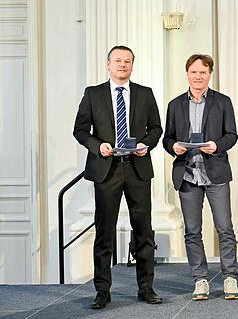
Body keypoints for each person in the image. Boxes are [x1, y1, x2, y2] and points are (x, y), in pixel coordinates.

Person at [73, 45, 163, 309]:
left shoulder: (145, 94)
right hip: (107, 169)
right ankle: (102, 290)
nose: (123, 65)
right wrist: (97, 145)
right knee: (104, 233)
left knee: (143, 230)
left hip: (137, 168)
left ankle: (146, 287)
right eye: (118, 60)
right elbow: (80, 130)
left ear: (132, 65)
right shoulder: (93, 94)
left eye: (128, 61)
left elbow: (156, 128)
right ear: (108, 64)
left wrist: (147, 143)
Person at [162, 54, 238, 301]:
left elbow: (232, 135)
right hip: (187, 175)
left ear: (210, 74)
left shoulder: (223, 102)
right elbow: (167, 138)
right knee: (192, 230)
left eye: (203, 72)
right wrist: (173, 146)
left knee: (225, 228)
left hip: (215, 173)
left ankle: (230, 277)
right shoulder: (175, 104)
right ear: (187, 74)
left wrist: (217, 145)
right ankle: (201, 279)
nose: (198, 77)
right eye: (194, 72)